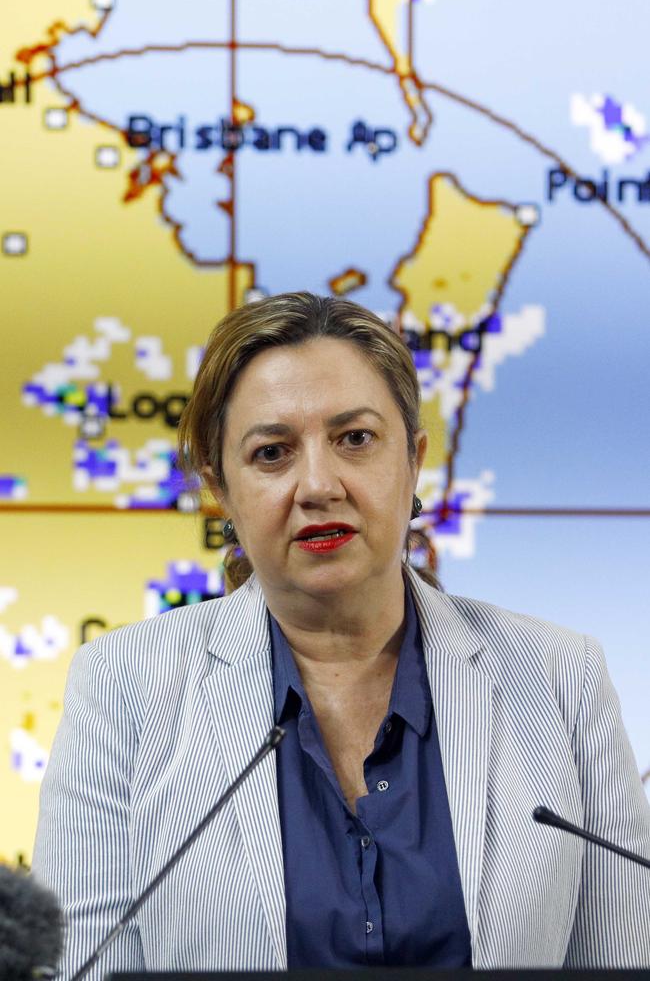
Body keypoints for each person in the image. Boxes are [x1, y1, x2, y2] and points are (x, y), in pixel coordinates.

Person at [32, 292, 650, 978]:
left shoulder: (562, 675)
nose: (319, 484)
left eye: (355, 439)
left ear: (413, 462)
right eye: (272, 453)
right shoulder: (122, 686)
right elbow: (82, 966)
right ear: (220, 490)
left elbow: (622, 961)